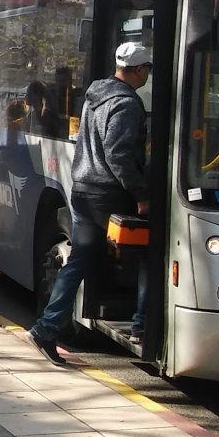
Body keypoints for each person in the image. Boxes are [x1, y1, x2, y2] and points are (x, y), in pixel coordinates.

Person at [27, 43, 152, 366]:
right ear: (137, 71)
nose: (148, 76)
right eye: (147, 69)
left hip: (82, 189)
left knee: (79, 261)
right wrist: (141, 194)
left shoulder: (94, 96)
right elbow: (118, 155)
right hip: (109, 195)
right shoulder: (126, 104)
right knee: (150, 255)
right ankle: (142, 326)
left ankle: (47, 327)